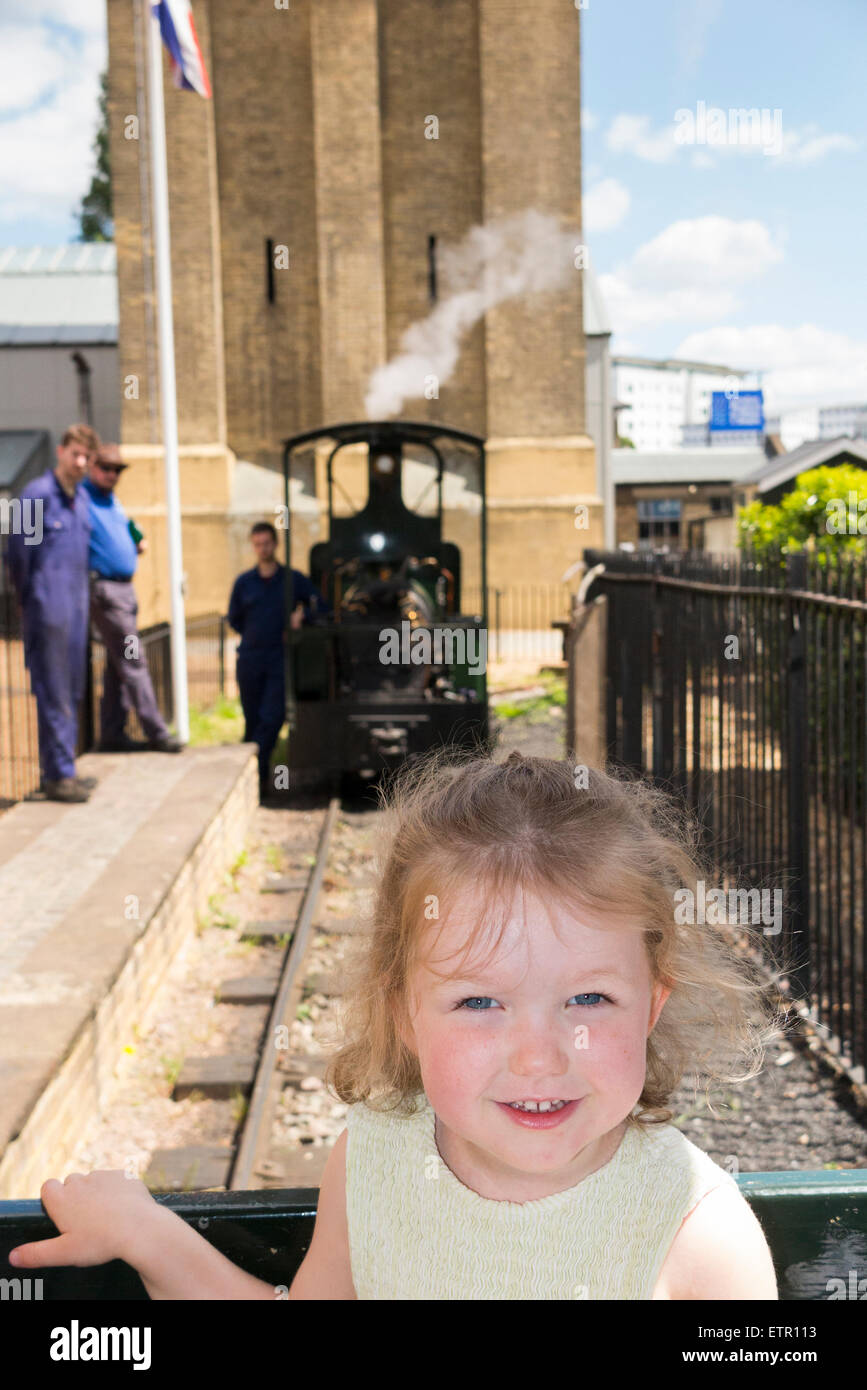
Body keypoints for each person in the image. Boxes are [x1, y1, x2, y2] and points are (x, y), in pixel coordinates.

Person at [10, 752, 783, 1299]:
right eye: (478, 1002)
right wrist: (147, 1234)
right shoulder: (374, 1161)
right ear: (402, 1014)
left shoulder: (697, 1239)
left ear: (651, 1004)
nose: (540, 1056)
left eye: (588, 1001)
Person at [6, 423, 99, 802]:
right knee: (55, 690)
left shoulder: (80, 501)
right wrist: (33, 599)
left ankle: (60, 770)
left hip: (76, 610)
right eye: (74, 453)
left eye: (86, 457)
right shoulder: (34, 496)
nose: (79, 462)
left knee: (72, 690)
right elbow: (16, 555)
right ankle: (60, 775)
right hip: (48, 610)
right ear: (60, 451)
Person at [84, 443, 182, 754]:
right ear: (92, 467)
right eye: (106, 468)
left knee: (118, 665)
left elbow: (127, 528)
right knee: (132, 658)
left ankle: (112, 732)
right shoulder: (81, 498)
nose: (112, 474)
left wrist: (134, 539)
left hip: (125, 589)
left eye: (117, 470)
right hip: (105, 590)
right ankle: (157, 732)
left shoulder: (111, 501)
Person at [227, 521, 328, 799]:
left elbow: (321, 605)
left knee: (272, 717)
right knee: (252, 719)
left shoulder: (291, 580)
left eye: (267, 543)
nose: (263, 548)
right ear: (253, 546)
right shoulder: (244, 583)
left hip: (278, 658)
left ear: (275, 544)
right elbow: (234, 618)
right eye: (257, 544)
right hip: (249, 658)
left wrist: (302, 616)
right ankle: (256, 785)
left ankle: (258, 767)